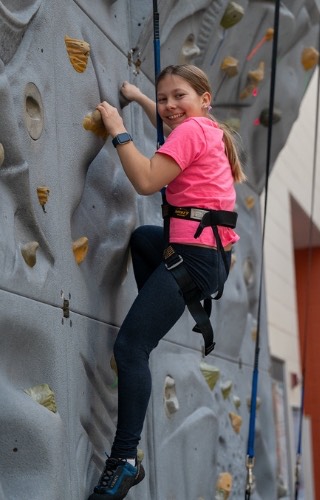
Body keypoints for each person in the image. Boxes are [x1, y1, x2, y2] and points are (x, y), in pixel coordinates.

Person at [88, 64, 245, 500]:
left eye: (180, 96)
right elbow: (171, 122)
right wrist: (141, 98)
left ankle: (124, 461)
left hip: (193, 258)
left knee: (130, 348)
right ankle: (151, 321)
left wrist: (119, 128)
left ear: (205, 99)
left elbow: (145, 180)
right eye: (164, 99)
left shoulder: (191, 131)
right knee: (142, 240)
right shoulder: (207, 129)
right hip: (208, 255)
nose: (170, 106)